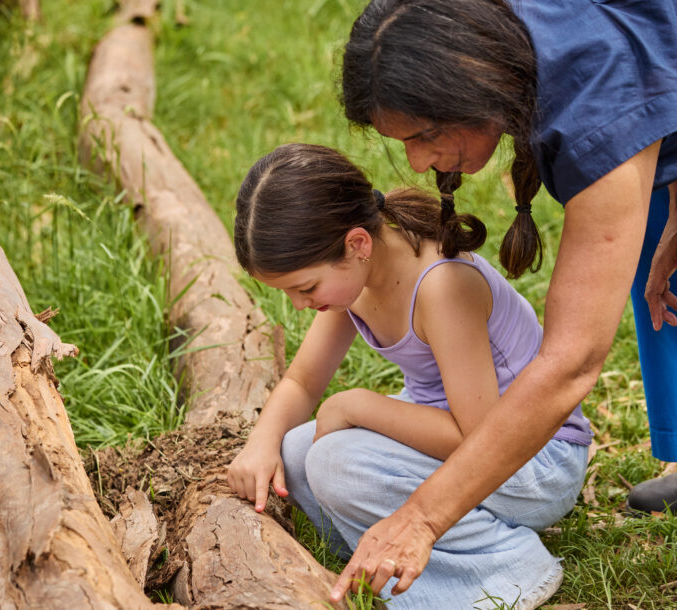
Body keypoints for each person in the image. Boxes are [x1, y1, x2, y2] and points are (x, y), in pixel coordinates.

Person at [330, 0, 677, 607]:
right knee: (647, 219)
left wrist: (422, 519)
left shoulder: (595, 89)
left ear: (475, 80)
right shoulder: (511, 37)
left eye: (427, 135)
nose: (416, 161)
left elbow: (572, 361)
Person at [227, 142, 592, 609]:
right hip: (467, 442)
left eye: (306, 288)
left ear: (356, 244)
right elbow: (301, 383)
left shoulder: (442, 287)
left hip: (532, 459)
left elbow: (479, 439)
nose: (300, 305)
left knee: (335, 460)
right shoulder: (355, 279)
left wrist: (356, 405)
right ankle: (390, 558)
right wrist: (261, 442)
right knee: (296, 451)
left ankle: (503, 565)